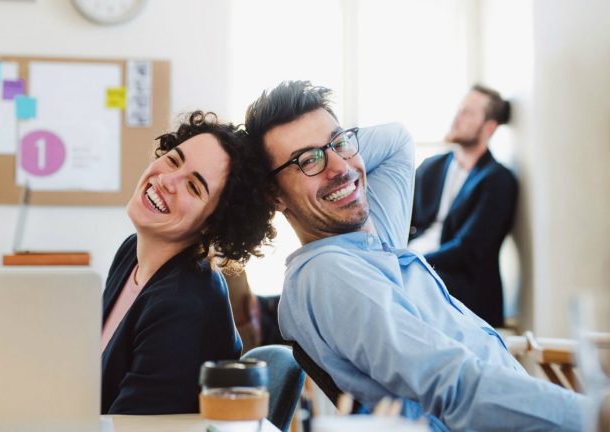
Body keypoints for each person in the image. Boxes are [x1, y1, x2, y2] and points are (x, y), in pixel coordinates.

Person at [244, 81, 587, 431]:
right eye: (307, 160)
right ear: (274, 196)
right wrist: (594, 416)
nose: (339, 167)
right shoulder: (330, 273)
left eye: (340, 142)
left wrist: (327, 151)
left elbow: (397, 141)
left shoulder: (371, 237)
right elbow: (455, 384)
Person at [101, 111, 275, 414]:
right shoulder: (132, 253)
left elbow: (132, 425)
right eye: (173, 159)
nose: (167, 180)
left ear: (213, 223)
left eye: (194, 187)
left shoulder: (184, 306)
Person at [409, 84, 517, 327]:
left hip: (462, 288)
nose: (457, 117)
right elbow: (403, 221)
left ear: (489, 128)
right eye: (459, 110)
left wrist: (413, 262)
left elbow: (468, 251)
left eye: (468, 113)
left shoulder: (498, 180)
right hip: (416, 267)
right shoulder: (431, 167)